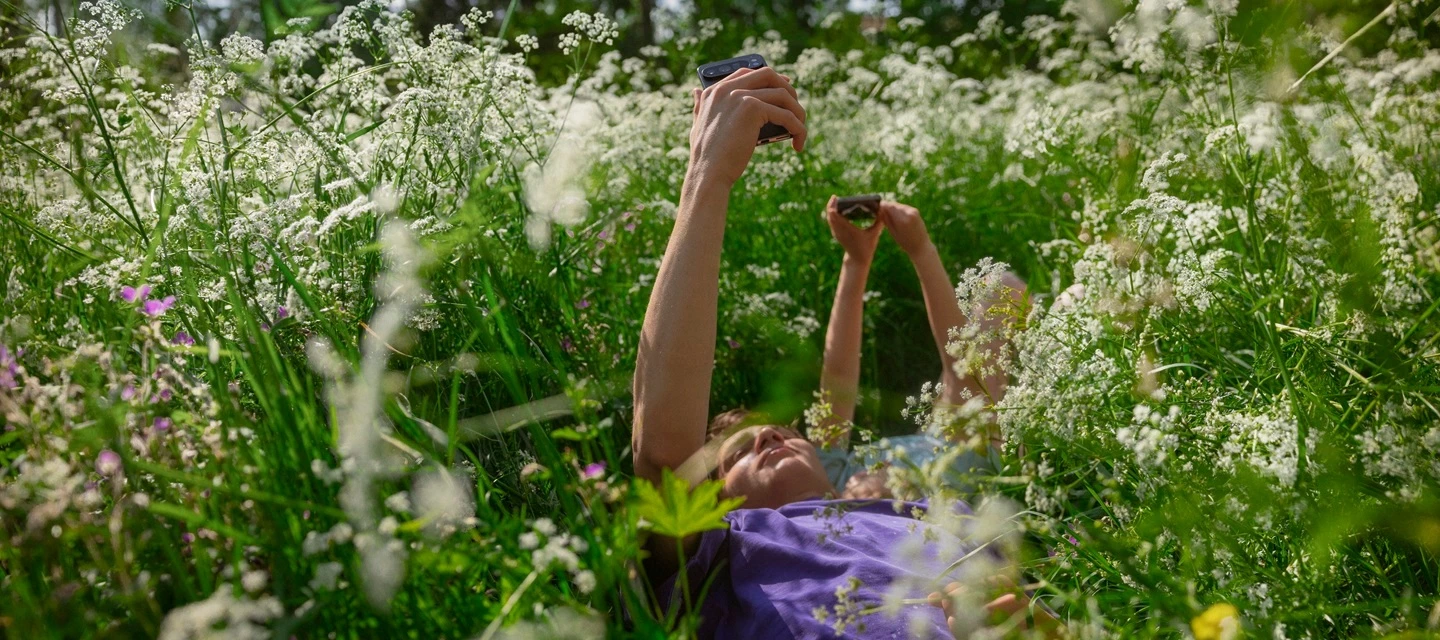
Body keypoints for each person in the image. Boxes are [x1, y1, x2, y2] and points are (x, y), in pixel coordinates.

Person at [630, 66, 1058, 638]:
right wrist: (707, 174)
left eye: (779, 432)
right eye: (736, 458)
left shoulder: (946, 516)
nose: (768, 435)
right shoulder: (730, 548)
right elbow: (663, 458)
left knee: (1004, 300)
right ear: (714, 505)